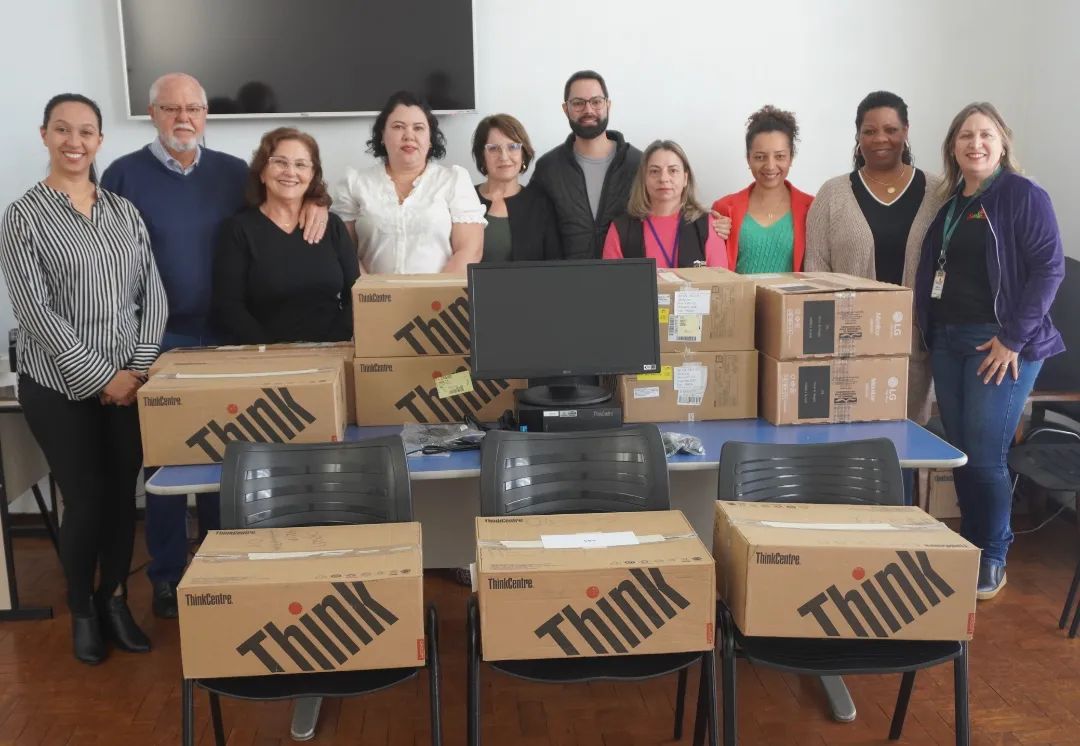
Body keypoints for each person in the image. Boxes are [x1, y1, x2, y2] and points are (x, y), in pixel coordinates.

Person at [101, 73, 330, 619]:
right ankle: (166, 576)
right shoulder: (122, 175)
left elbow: (282, 201)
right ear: (153, 113)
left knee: (226, 458)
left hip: (230, 336)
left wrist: (318, 203)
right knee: (165, 460)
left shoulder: (231, 173)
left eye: (194, 109)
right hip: (161, 338)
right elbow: (109, 263)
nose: (184, 118)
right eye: (171, 108)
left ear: (206, 115)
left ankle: (220, 564)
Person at [0, 94, 168, 664]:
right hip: (56, 385)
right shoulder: (23, 216)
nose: (75, 141)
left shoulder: (123, 211)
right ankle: (82, 609)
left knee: (122, 496)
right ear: (44, 135)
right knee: (86, 499)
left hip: (128, 381)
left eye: (86, 131)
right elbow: (35, 311)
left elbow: (153, 295)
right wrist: (100, 377)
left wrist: (136, 369)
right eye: (63, 129)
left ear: (100, 140)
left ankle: (114, 599)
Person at [915, 102, 1064, 600]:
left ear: (1002, 144)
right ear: (952, 147)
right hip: (949, 340)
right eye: (965, 136)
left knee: (984, 456)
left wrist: (1013, 339)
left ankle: (993, 553)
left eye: (985, 135)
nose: (975, 144)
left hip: (1001, 344)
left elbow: (1049, 269)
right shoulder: (950, 205)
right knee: (960, 454)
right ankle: (972, 546)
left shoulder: (1023, 195)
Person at [805, 91, 945, 425]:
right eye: (869, 131)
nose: (880, 138)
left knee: (905, 437)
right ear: (858, 136)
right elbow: (815, 272)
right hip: (846, 347)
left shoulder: (938, 192)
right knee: (850, 436)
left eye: (891, 130)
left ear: (906, 131)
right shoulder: (832, 194)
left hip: (913, 349)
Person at [213, 128, 357, 343]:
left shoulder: (332, 225)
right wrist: (273, 352)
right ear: (262, 172)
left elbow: (355, 296)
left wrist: (331, 344)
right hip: (264, 354)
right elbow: (229, 306)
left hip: (332, 350)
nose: (290, 172)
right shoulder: (238, 230)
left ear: (312, 175)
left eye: (301, 164)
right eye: (280, 162)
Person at [332, 91, 485, 274]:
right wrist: (369, 289)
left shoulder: (453, 180)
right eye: (398, 127)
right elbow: (344, 252)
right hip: (369, 291)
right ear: (382, 135)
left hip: (442, 292)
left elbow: (469, 250)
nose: (408, 136)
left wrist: (438, 291)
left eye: (418, 128)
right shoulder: (354, 183)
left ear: (430, 139)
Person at [531, 70, 642, 260]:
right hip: (566, 276)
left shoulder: (639, 164)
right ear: (566, 109)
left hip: (627, 275)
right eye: (578, 103)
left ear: (608, 105)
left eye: (596, 101)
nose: (588, 110)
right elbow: (533, 226)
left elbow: (663, 217)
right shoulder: (548, 168)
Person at [711, 106, 813, 272]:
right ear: (748, 159)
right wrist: (711, 229)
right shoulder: (724, 209)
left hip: (794, 291)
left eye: (780, 156)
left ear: (791, 158)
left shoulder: (812, 208)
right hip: (739, 291)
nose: (770, 166)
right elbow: (714, 271)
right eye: (760, 157)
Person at [603, 140, 727, 268]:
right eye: (654, 171)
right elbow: (611, 279)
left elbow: (720, 279)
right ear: (644, 179)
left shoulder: (707, 225)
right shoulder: (621, 229)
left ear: (685, 178)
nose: (663, 179)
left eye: (673, 170)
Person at [471, 114, 561, 261]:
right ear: (482, 156)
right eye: (493, 148)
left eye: (513, 147)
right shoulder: (463, 199)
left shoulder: (541, 205)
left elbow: (554, 265)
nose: (504, 157)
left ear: (523, 153)